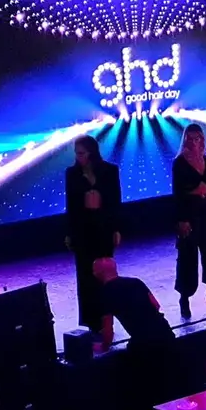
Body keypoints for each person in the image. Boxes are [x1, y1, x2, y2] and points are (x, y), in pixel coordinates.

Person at [95, 257, 178, 410]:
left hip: (144, 341)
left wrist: (103, 346)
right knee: (167, 377)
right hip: (165, 332)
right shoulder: (136, 282)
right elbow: (156, 305)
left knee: (140, 384)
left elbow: (108, 331)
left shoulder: (105, 293)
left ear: (98, 274)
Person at [65, 135, 122, 331]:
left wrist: (116, 228)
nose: (78, 157)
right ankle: (90, 321)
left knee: (105, 274)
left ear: (91, 153)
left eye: (82, 153)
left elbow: (115, 202)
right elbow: (71, 207)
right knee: (85, 276)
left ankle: (107, 319)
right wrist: (70, 233)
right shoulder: (72, 174)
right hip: (83, 230)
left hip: (103, 229)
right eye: (77, 153)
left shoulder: (109, 171)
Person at [171, 124, 206, 318]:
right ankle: (184, 299)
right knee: (188, 258)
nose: (194, 142)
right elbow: (177, 194)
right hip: (189, 215)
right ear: (185, 140)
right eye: (191, 138)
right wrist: (181, 220)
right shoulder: (179, 163)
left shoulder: (205, 160)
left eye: (198, 138)